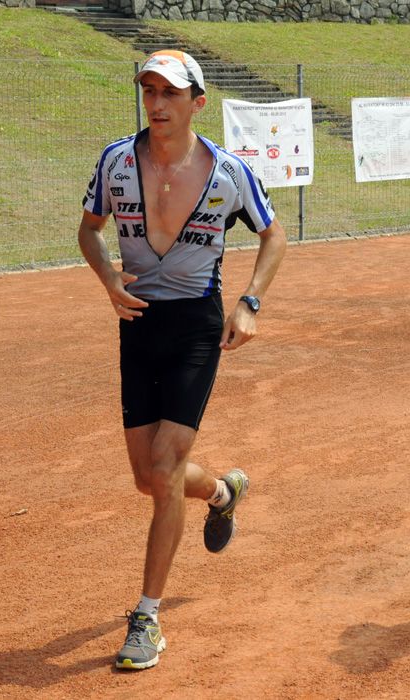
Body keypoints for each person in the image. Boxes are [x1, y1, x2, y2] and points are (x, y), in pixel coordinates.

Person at [77, 50, 287, 669]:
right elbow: (89, 229)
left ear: (198, 102)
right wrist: (107, 280)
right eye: (148, 92)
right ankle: (223, 491)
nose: (157, 105)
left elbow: (273, 233)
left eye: (170, 94)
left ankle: (146, 616)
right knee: (149, 479)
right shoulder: (117, 161)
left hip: (196, 323)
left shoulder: (228, 171)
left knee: (166, 466)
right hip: (137, 322)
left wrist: (249, 302)